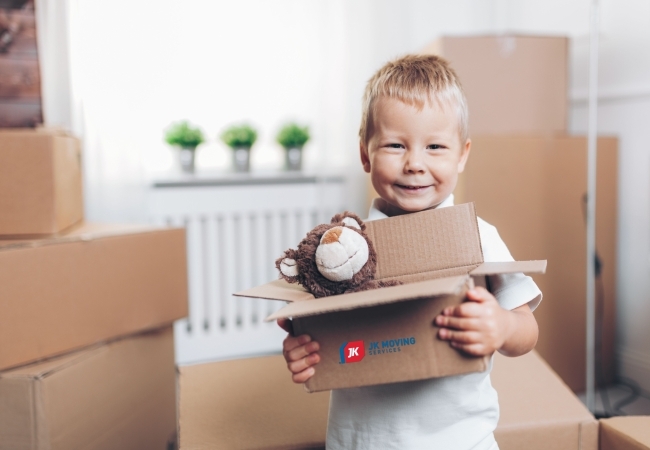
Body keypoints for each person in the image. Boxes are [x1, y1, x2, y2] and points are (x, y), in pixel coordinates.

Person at [277, 54, 542, 450]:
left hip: (463, 441)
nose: (415, 163)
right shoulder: (339, 254)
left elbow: (527, 330)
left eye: (435, 146)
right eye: (395, 145)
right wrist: (302, 350)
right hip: (362, 442)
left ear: (463, 154)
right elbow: (315, 333)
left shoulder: (478, 236)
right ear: (365, 153)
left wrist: (502, 326)